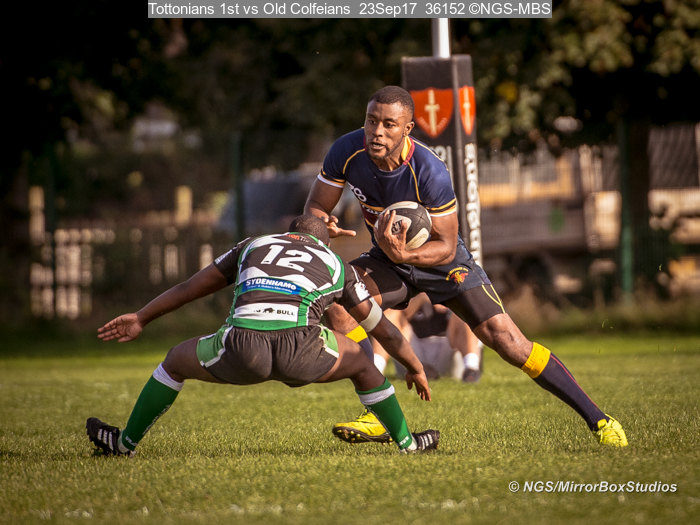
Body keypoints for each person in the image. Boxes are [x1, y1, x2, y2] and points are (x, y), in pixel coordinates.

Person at [304, 85, 628, 447]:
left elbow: (445, 247)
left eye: (389, 125)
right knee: (341, 305)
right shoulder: (346, 151)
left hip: (442, 262)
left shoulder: (429, 171)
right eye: (371, 121)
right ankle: (378, 415)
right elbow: (316, 208)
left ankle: (600, 420)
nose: (377, 132)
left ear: (407, 129)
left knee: (508, 342)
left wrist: (404, 256)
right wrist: (323, 226)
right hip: (389, 258)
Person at [86, 215, 440, 456]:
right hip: (303, 351)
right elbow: (383, 329)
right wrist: (414, 366)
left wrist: (142, 317)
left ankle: (125, 444)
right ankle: (408, 444)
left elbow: (189, 288)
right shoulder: (336, 263)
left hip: (242, 348)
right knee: (362, 364)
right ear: (325, 241)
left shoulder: (253, 245)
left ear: (288, 233)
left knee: (174, 361)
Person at [373, 293, 475, 381]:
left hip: (448, 347)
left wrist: (446, 299)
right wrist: (424, 295)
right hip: (413, 350)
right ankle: (376, 369)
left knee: (465, 315)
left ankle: (471, 369)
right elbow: (400, 314)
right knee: (392, 313)